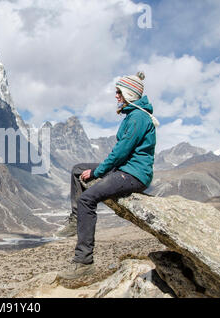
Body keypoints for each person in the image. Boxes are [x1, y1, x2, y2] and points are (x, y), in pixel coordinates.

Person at [58, 72, 158, 277]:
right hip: (126, 169)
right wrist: (98, 171)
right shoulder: (134, 115)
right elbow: (122, 153)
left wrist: (97, 172)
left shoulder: (138, 117)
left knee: (87, 199)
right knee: (78, 169)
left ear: (129, 94)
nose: (116, 96)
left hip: (133, 174)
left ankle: (84, 262)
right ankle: (76, 219)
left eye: (119, 92)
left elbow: (122, 151)